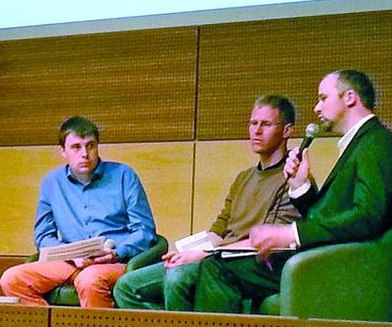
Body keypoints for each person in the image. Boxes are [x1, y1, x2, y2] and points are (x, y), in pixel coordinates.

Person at [194, 69, 392, 313]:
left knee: (218, 268)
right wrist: (301, 186)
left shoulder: (376, 143)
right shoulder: (363, 143)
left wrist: (291, 234)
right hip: (332, 259)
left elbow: (367, 218)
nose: (316, 109)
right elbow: (331, 216)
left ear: (349, 97)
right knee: (221, 264)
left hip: (346, 268)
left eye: (323, 98)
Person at [114, 95, 301, 310]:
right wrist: (186, 251)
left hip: (242, 264)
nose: (256, 131)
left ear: (287, 131)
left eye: (266, 124)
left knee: (177, 278)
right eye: (253, 123)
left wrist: (203, 255)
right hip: (216, 255)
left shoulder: (293, 179)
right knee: (126, 286)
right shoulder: (244, 178)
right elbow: (218, 231)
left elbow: (269, 242)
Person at [0, 116, 157, 308]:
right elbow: (43, 236)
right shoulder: (52, 183)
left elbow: (144, 230)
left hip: (113, 260)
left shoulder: (124, 175)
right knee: (12, 279)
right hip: (71, 262)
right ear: (63, 152)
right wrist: (69, 254)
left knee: (89, 279)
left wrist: (116, 253)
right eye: (76, 147)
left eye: (90, 145)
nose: (85, 153)